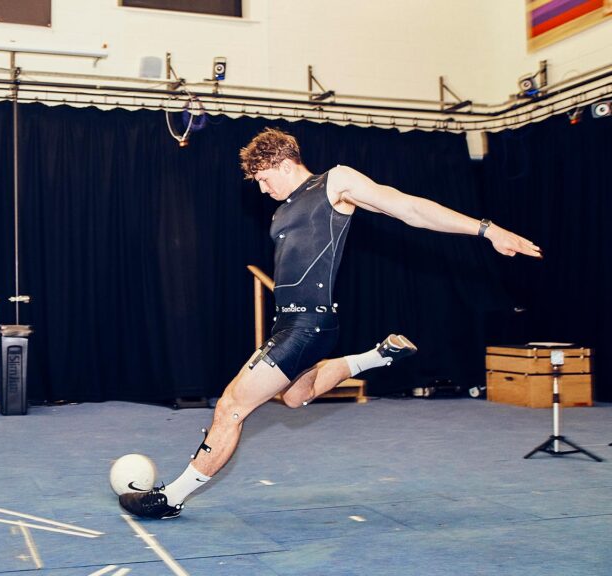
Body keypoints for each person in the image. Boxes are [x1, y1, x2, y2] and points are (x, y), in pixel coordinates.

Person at [119, 127, 542, 520]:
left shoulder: (334, 182)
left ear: (286, 164)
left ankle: (170, 498)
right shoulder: (283, 210)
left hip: (308, 326)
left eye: (266, 179)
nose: (263, 190)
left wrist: (486, 230)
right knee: (294, 398)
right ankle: (376, 356)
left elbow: (410, 208)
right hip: (295, 328)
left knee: (231, 406)